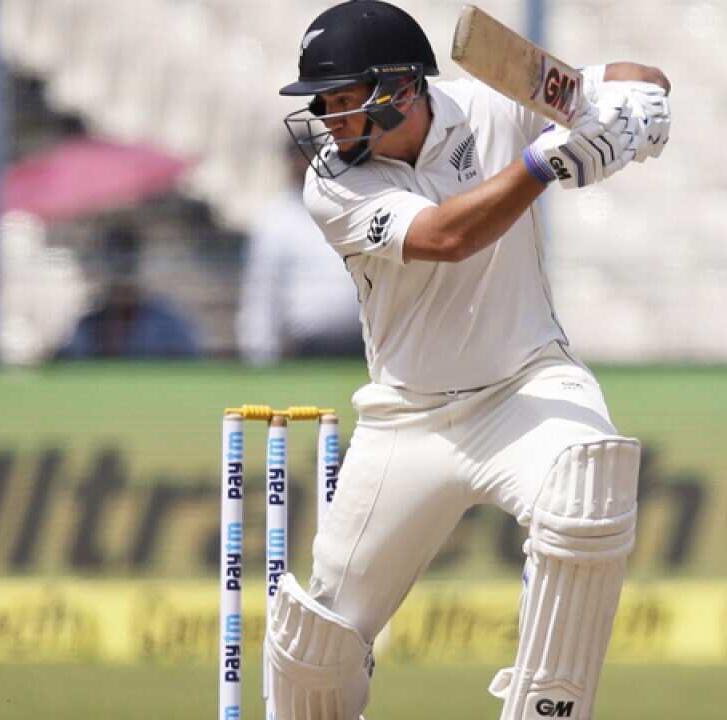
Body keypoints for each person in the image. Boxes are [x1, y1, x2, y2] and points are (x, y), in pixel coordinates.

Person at [259, 2, 671, 719]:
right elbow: (447, 238)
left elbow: (640, 76)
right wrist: (549, 160)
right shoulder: (332, 183)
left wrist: (632, 108)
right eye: (320, 103)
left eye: (341, 99)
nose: (325, 119)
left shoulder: (495, 105)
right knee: (315, 641)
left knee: (588, 487)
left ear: (400, 89)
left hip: (525, 385)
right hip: (408, 416)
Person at [237, 141, 363, 364]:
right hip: (310, 346)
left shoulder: (354, 205)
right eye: (298, 157)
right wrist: (259, 350)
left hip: (364, 340)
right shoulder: (275, 217)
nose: (304, 164)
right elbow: (263, 286)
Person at [56, 224, 199, 360]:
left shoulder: (167, 323)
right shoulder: (88, 324)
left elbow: (192, 363)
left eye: (126, 263)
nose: (119, 271)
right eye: (112, 260)